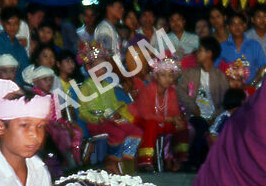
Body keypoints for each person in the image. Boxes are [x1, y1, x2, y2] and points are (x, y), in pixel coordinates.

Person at [76, 41, 142, 175]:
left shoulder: (108, 85)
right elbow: (82, 112)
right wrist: (96, 118)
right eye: (98, 66)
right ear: (89, 68)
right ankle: (112, 160)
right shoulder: (85, 88)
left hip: (111, 119)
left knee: (136, 131)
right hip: (96, 122)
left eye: (103, 66)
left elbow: (114, 104)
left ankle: (126, 159)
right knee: (118, 133)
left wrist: (121, 108)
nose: (102, 69)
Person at [176, 36, 228, 167]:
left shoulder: (220, 76)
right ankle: (198, 161)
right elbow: (180, 91)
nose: (197, 54)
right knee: (200, 125)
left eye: (200, 50)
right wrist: (192, 106)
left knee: (207, 127)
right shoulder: (190, 73)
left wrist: (215, 116)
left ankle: (196, 161)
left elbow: (225, 101)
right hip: (195, 115)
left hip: (213, 117)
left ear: (209, 53)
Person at [133, 57, 189, 172]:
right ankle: (145, 161)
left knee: (182, 125)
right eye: (163, 75)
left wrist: (177, 120)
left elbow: (175, 111)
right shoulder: (147, 90)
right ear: (156, 77)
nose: (167, 79)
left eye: (170, 75)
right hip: (143, 122)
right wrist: (169, 119)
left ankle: (180, 160)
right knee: (152, 124)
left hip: (163, 122)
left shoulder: (172, 91)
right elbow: (146, 115)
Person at [23, 64, 82, 170]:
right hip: (43, 125)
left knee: (76, 131)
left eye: (50, 80)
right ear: (35, 82)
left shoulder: (52, 95)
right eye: (45, 80)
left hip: (55, 124)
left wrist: (64, 124)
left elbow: (58, 115)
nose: (49, 83)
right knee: (62, 133)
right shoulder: (34, 96)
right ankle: (66, 160)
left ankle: (75, 159)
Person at [219, 11, 266, 85]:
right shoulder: (222, 47)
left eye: (240, 23)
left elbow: (263, 67)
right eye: (233, 24)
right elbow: (216, 70)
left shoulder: (254, 45)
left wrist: (252, 84)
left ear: (245, 26)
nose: (237, 27)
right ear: (228, 27)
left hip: (251, 89)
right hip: (229, 90)